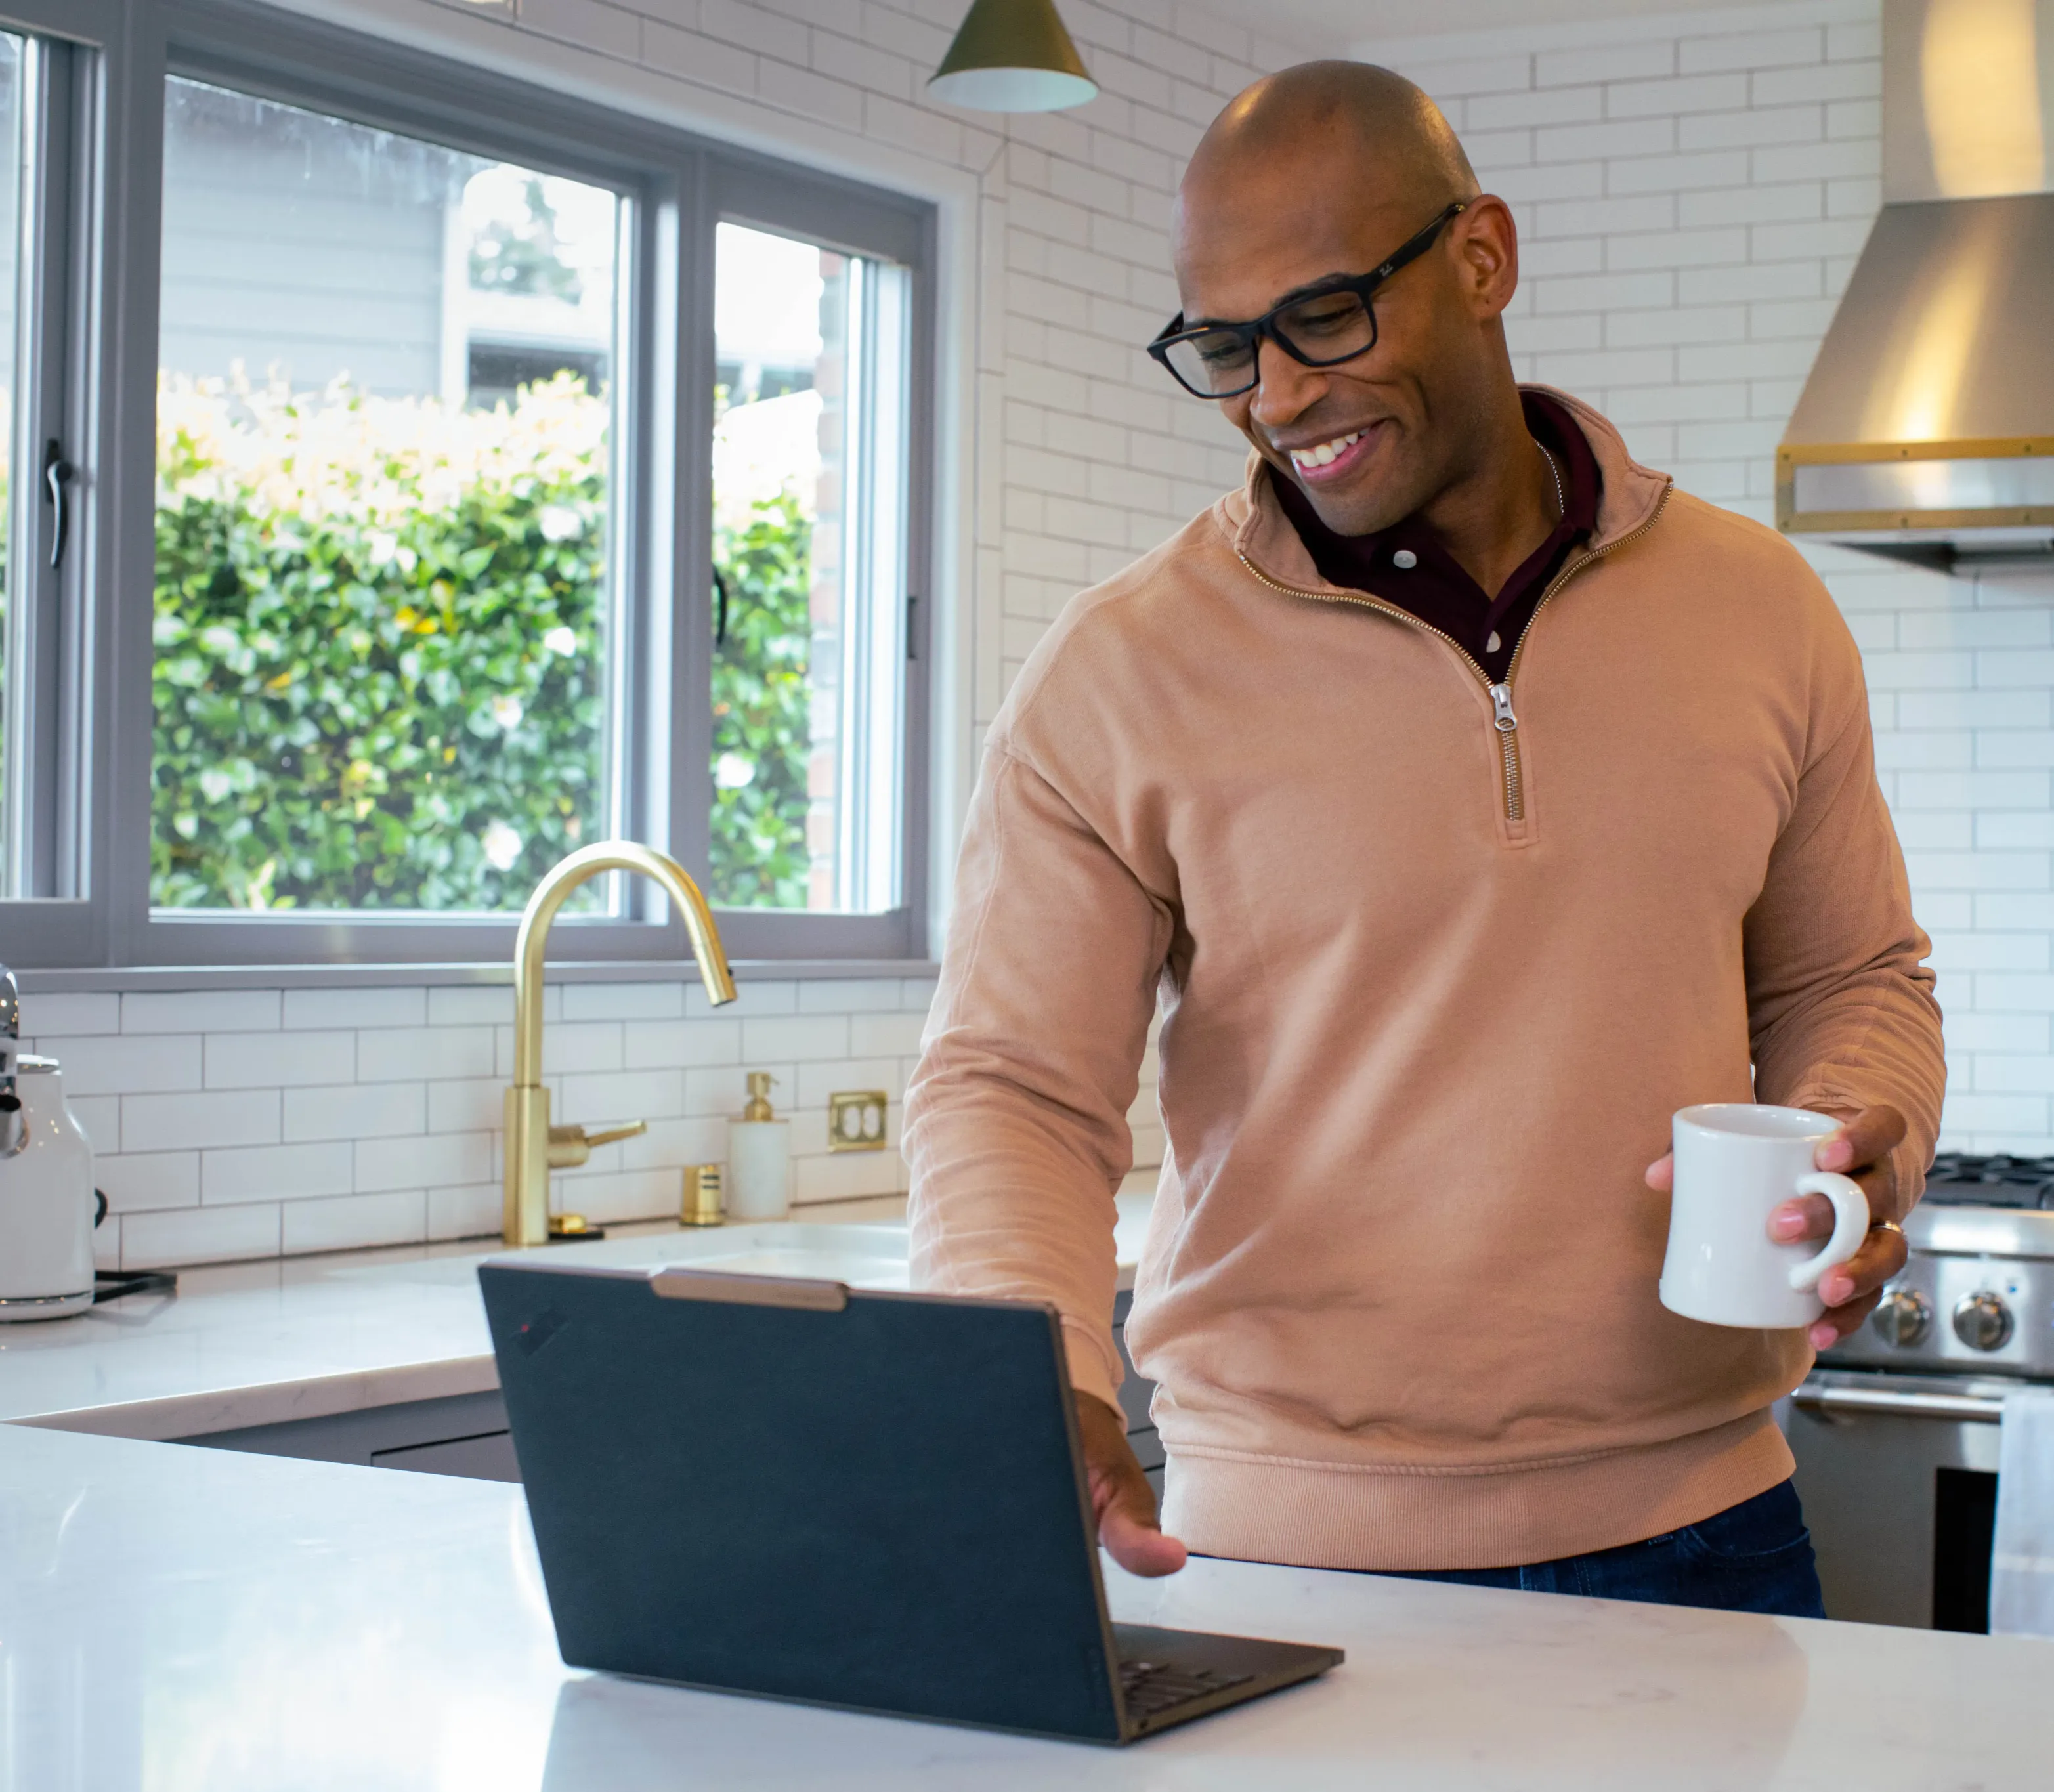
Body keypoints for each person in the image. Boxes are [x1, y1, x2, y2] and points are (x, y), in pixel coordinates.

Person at [903, 61, 1944, 1615]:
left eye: (1325, 318)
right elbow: (1012, 1082)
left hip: (1710, 1531)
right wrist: (1028, 1368)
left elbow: (1850, 975)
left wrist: (1855, 1143)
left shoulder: (1756, 606)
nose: (1277, 395)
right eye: (1226, 346)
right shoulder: (1118, 669)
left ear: (1480, 260)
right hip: (1278, 1549)